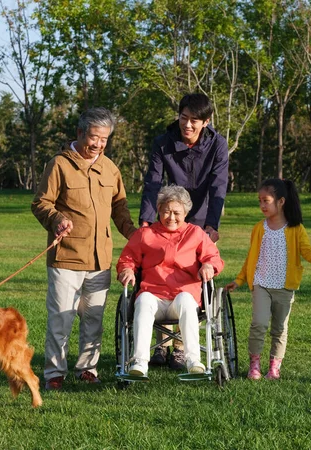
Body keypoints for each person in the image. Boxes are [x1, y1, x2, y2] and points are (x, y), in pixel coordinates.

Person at [32, 107, 137, 391]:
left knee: (94, 319)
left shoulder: (110, 168)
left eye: (104, 139)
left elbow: (120, 207)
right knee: (61, 318)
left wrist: (134, 235)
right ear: (80, 134)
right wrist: (56, 219)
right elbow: (41, 203)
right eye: (94, 137)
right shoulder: (59, 164)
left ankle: (87, 369)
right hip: (66, 257)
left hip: (100, 258)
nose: (99, 144)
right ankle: (55, 373)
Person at [139, 93, 229, 369]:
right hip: (170, 214)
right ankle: (160, 346)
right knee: (160, 267)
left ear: (206, 122)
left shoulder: (217, 145)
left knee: (187, 276)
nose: (187, 125)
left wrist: (212, 224)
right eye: (183, 118)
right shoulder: (163, 143)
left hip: (200, 218)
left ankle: (180, 348)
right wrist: (146, 220)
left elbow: (218, 186)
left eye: (194, 120)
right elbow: (153, 182)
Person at [117, 185, 224, 377]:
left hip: (182, 296)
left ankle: (193, 361)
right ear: (158, 210)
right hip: (154, 296)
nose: (171, 217)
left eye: (177, 212)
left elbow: (213, 257)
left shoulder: (196, 233)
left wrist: (209, 266)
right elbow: (128, 258)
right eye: (166, 211)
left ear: (186, 212)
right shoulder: (145, 234)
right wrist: (126, 269)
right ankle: (139, 363)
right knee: (143, 301)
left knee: (185, 300)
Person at [226, 179, 311, 380]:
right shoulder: (258, 228)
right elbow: (250, 259)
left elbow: (308, 253)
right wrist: (239, 280)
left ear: (280, 202)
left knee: (279, 329)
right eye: (259, 201)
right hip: (261, 284)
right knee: (259, 324)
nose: (262, 205)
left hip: (284, 287)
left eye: (266, 200)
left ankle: (274, 367)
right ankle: (254, 365)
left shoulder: (296, 229)